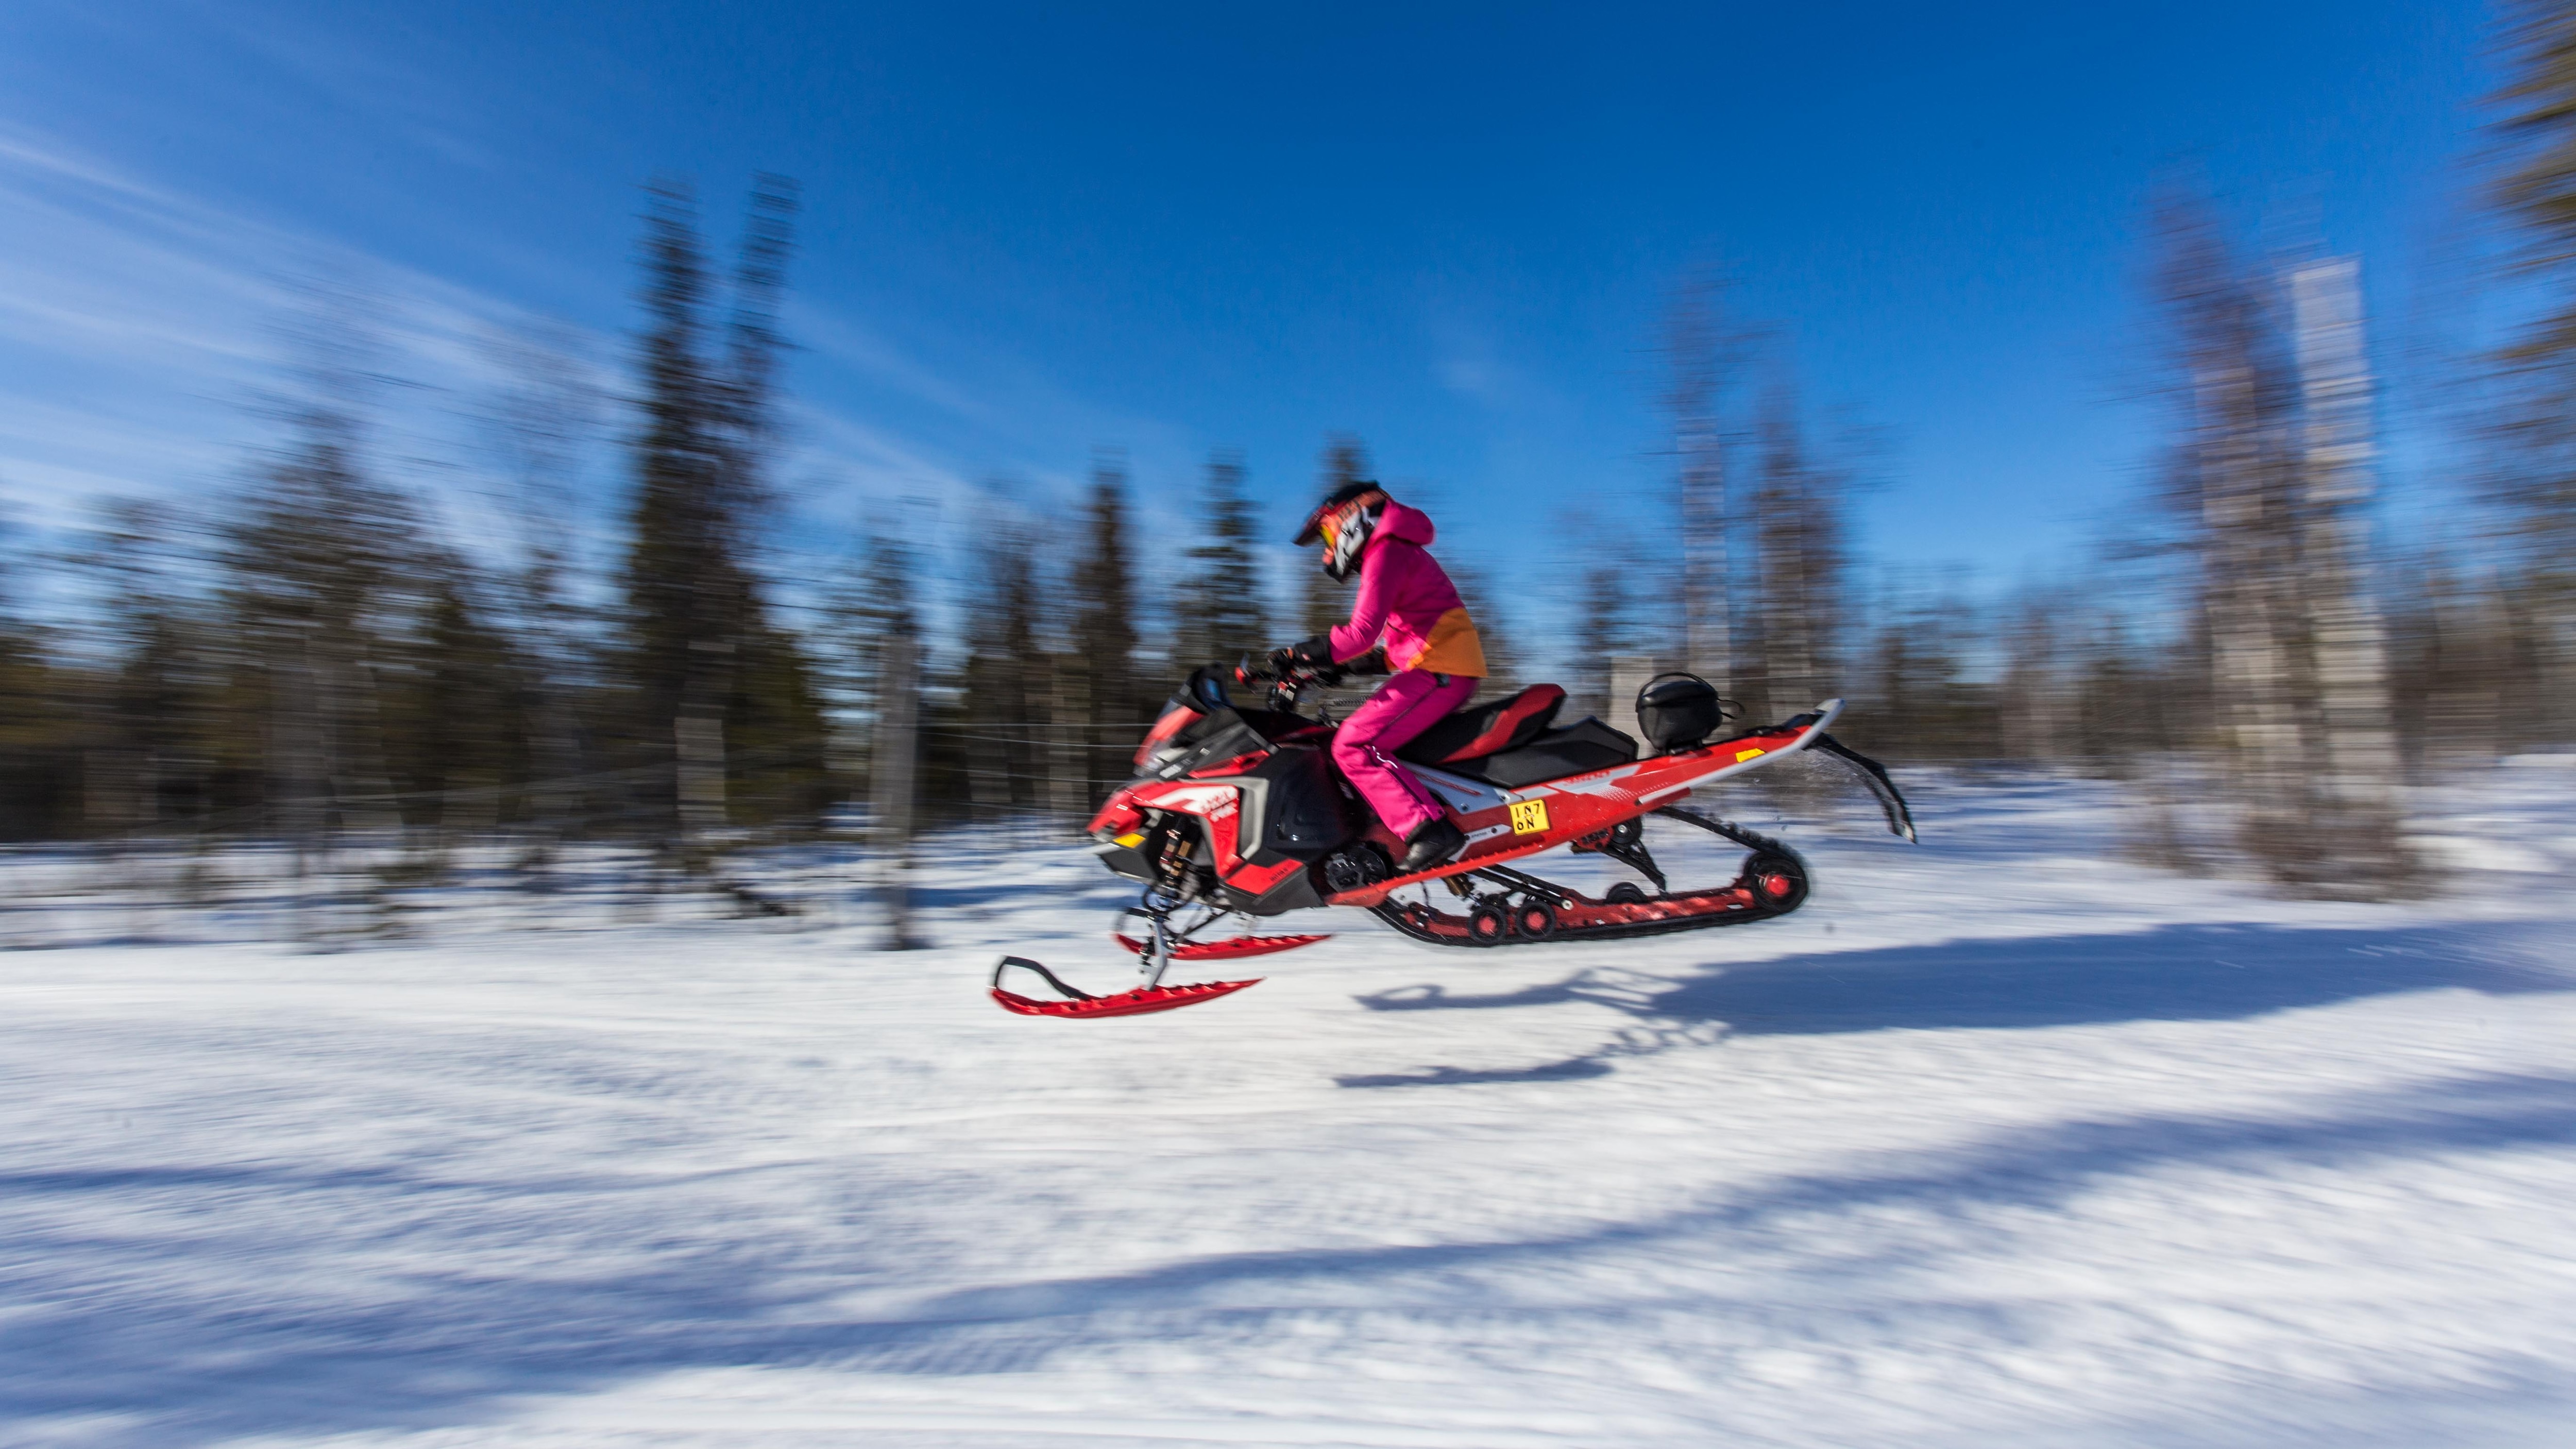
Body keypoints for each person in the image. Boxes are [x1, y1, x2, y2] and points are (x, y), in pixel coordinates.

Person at [1272, 481, 1485, 873]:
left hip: (1441, 668)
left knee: (1352, 745)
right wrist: (1329, 669)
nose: (1325, 548)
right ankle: (1395, 823)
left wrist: (1293, 656)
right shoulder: (1396, 549)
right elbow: (1392, 648)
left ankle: (1427, 830)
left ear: (1351, 517)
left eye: (1325, 532)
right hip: (1440, 664)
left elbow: (1360, 634)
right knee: (1354, 733)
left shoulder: (1385, 552)